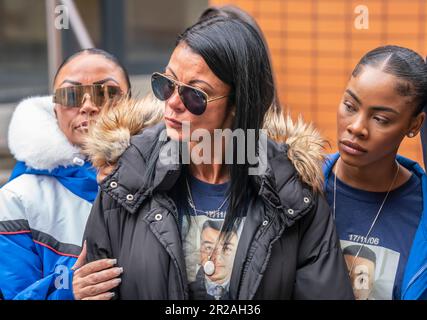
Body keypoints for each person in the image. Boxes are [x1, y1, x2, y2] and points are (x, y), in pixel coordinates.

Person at [81, 13, 353, 300]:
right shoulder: (127, 176)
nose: (172, 103)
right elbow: (96, 287)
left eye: (195, 95)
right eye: (166, 83)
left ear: (238, 104)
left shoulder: (293, 192)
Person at [0, 48, 130, 299]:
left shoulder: (168, 176)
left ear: (130, 101)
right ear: (55, 108)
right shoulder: (15, 199)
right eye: (71, 95)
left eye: (106, 93)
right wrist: (68, 291)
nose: (89, 105)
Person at [323, 45, 427, 300]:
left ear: (414, 124)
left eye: (380, 119)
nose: (357, 127)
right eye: (349, 106)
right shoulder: (297, 188)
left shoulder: (421, 206)